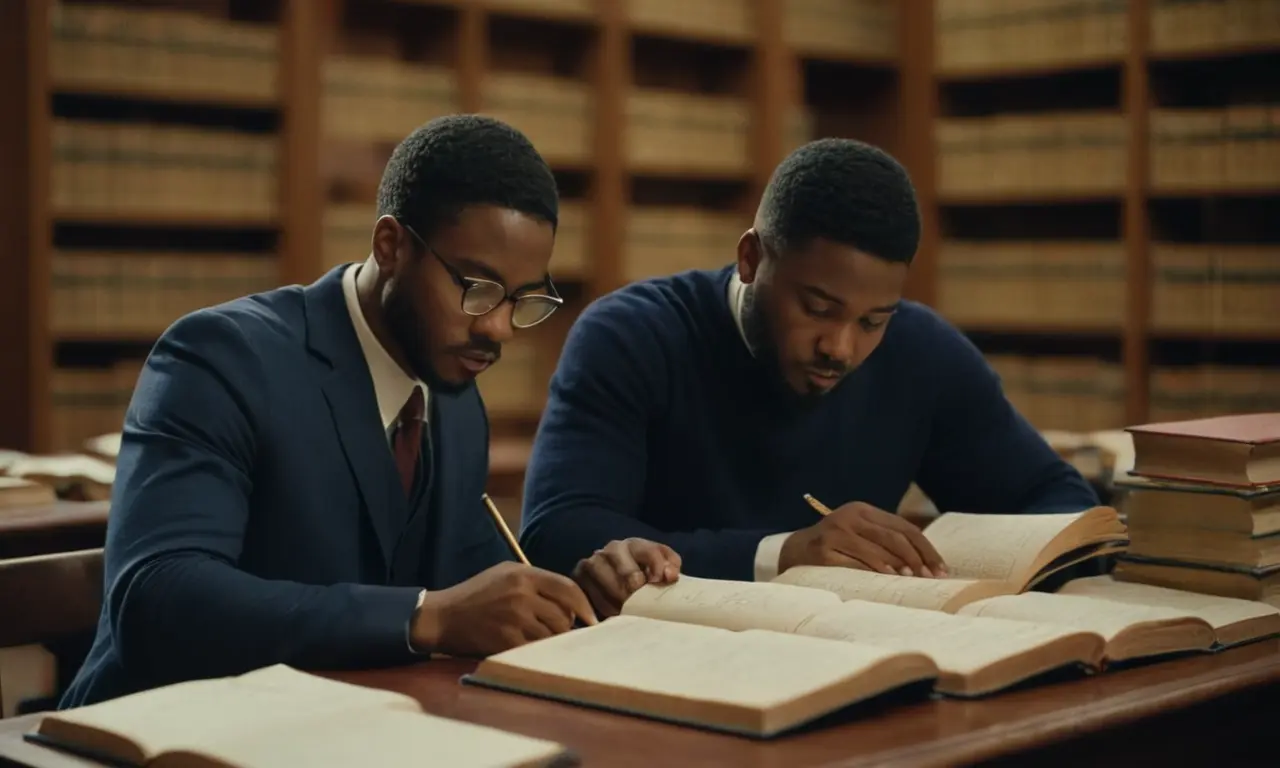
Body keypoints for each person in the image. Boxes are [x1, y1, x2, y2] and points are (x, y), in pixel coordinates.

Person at [60, 115, 680, 708]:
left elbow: (468, 589)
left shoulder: (454, 398)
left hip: (334, 730)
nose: (500, 328)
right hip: (153, 733)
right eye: (477, 288)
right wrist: (425, 616)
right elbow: (157, 598)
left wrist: (578, 588)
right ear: (391, 246)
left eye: (522, 298)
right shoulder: (222, 358)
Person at [519, 137, 1100, 600]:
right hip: (659, 665)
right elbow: (558, 533)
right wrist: (783, 553)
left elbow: (1056, 498)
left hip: (855, 660)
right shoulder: (632, 335)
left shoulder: (922, 350)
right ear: (751, 258)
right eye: (818, 309)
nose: (841, 348)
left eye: (873, 320)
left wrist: (950, 554)